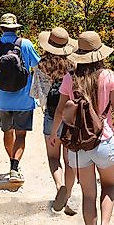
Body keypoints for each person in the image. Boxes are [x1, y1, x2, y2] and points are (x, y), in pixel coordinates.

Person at [49, 31, 114, 225]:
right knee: (108, 186)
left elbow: (61, 110)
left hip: (78, 144)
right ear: (99, 54)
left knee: (88, 194)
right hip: (104, 141)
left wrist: (54, 134)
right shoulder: (108, 76)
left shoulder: (70, 78)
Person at [0, 13, 40, 182]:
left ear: (0, 28)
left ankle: (12, 163)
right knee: (21, 134)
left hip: (3, 98)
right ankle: (14, 167)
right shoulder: (26, 44)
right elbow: (37, 66)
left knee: (7, 131)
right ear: (16, 28)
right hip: (24, 97)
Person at [29, 26, 77, 212]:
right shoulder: (73, 65)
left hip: (51, 114)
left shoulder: (41, 65)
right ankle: (70, 196)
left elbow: (36, 93)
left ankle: (59, 187)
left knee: (53, 156)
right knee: (69, 158)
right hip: (70, 116)